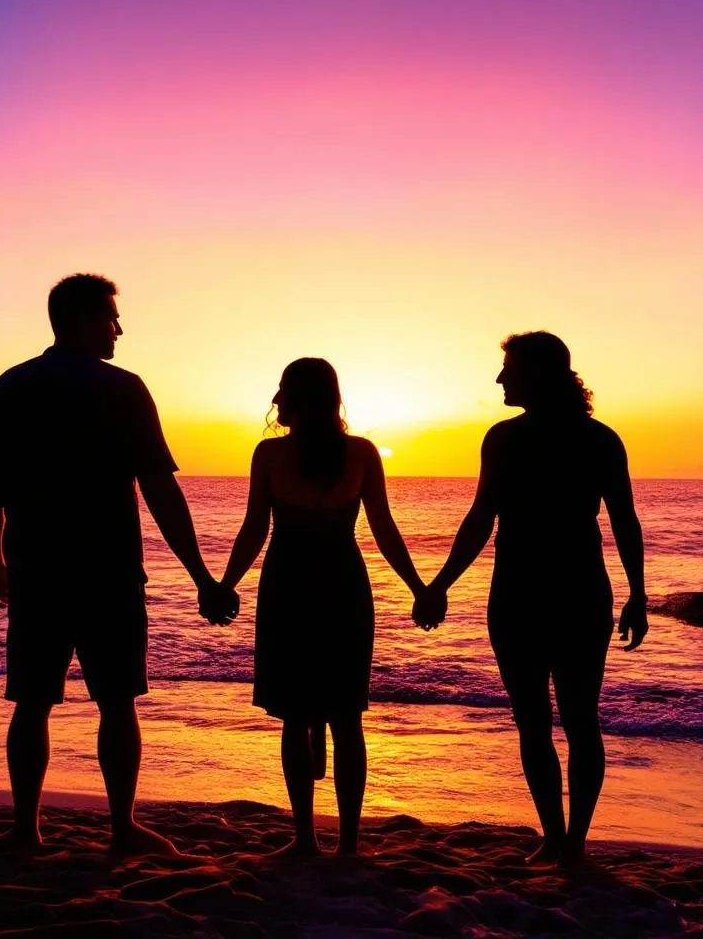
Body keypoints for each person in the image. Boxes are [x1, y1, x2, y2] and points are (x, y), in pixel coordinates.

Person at [0, 273, 237, 854]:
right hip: (108, 572)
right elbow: (161, 491)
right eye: (111, 317)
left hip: (37, 570)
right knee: (117, 701)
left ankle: (25, 828)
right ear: (85, 320)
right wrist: (202, 577)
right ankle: (120, 827)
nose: (119, 328)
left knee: (32, 700)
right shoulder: (123, 388)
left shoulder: (12, 385)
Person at [416, 331, 649, 866]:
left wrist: (639, 594)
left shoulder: (597, 440)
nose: (500, 378)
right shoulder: (504, 439)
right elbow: (480, 519)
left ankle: (573, 841)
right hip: (522, 594)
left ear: (539, 373)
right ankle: (556, 837)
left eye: (509, 368)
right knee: (537, 720)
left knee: (576, 719)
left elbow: (623, 519)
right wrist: (440, 584)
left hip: (572, 592)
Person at [220, 358, 426, 856]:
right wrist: (420, 588)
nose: (275, 400)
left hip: (289, 587)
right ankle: (348, 844)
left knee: (296, 716)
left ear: (292, 399)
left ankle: (306, 840)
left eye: (281, 391)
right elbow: (383, 529)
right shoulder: (360, 452)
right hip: (342, 588)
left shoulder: (269, 454)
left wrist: (224, 585)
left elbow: (255, 529)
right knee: (346, 716)